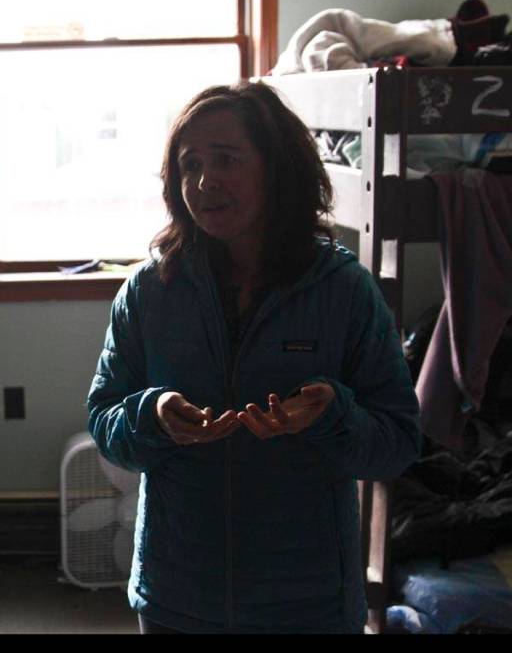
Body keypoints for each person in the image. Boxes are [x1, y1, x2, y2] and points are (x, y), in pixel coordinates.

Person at [87, 81, 421, 634]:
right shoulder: (149, 292)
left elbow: (397, 445)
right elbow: (104, 423)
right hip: (178, 594)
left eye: (227, 159)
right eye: (189, 164)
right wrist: (153, 415)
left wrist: (332, 415)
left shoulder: (344, 292)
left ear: (276, 169)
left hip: (306, 602)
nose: (204, 180)